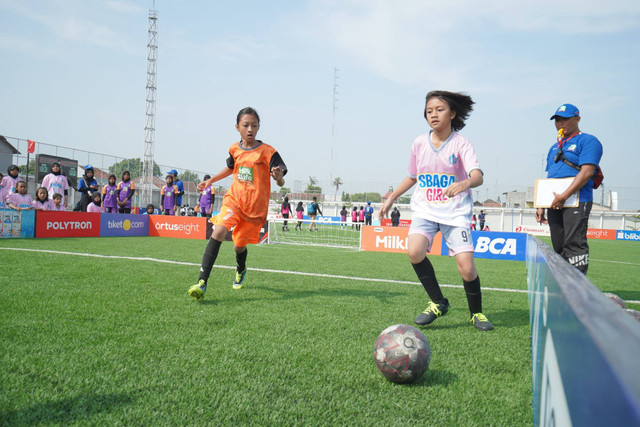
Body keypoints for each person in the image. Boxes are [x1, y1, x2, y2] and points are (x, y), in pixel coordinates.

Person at [379, 90, 493, 331]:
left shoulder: (462, 144)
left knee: (466, 266)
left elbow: (477, 176)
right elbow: (412, 177)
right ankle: (439, 302)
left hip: (455, 213)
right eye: (429, 111)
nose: (433, 114)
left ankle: (477, 314)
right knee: (414, 251)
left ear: (452, 113)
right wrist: (392, 197)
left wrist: (464, 183)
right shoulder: (419, 143)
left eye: (439, 110)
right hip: (425, 211)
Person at [188, 107, 287, 301]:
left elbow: (280, 177)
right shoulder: (234, 149)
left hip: (255, 210)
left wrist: (278, 178)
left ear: (259, 128)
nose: (250, 129)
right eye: (246, 125)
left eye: (254, 125)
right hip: (234, 201)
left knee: (238, 246)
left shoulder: (268, 152)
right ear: (237, 127)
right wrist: (211, 180)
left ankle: (241, 268)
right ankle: (202, 282)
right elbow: (231, 167)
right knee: (218, 231)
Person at [535, 103, 603, 274]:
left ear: (577, 119)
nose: (560, 123)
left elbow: (587, 172)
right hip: (555, 202)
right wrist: (541, 204)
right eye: (557, 120)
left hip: (577, 200)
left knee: (574, 244)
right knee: (558, 245)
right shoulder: (554, 147)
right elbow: (551, 177)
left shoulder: (588, 140)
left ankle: (578, 288)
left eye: (565, 119)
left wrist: (564, 195)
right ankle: (564, 284)